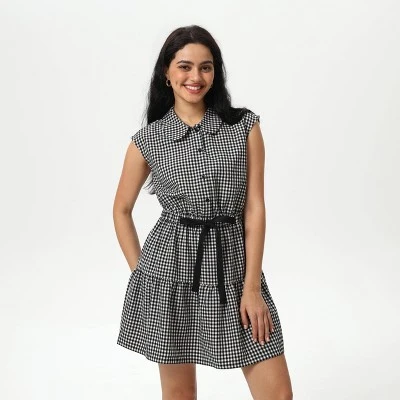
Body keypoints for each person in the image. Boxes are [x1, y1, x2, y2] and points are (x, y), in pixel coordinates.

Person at [113, 25, 293, 400]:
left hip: (235, 267)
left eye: (205, 67)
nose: (195, 77)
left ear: (215, 72)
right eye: (185, 66)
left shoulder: (244, 126)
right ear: (166, 73)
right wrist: (142, 276)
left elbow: (255, 207)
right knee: (180, 395)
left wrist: (252, 287)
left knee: (277, 394)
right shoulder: (148, 140)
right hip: (170, 271)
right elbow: (121, 210)